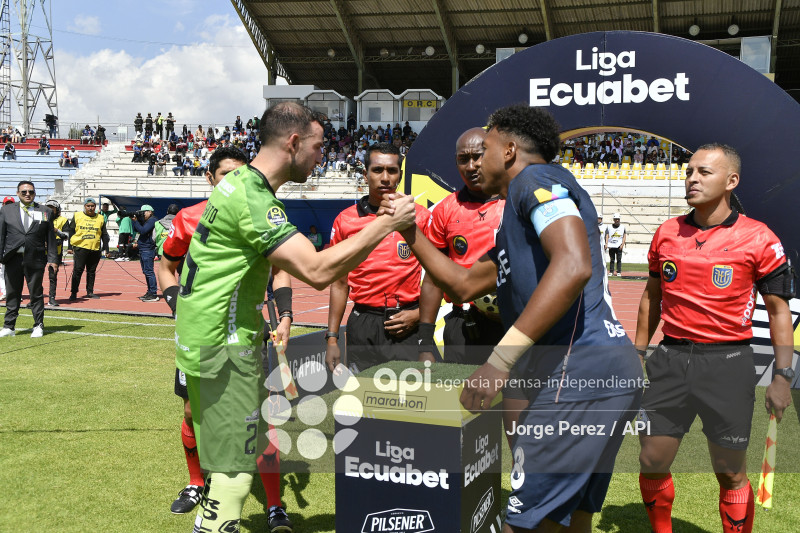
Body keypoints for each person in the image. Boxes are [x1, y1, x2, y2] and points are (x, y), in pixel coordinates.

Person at [383, 104, 642, 532]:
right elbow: (463, 283)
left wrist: (498, 362)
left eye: (482, 148)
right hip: (598, 371)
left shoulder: (536, 180)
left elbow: (574, 265)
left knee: (522, 523)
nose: (472, 161)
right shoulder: (515, 218)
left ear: (507, 149)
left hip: (577, 369)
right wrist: (408, 230)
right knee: (569, 518)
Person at [174, 102, 416, 532]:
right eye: (319, 147)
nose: (322, 156)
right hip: (223, 348)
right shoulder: (252, 198)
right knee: (232, 477)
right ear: (294, 142)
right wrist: (386, 224)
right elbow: (319, 271)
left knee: (235, 462)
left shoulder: (237, 186)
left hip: (214, 342)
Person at [635, 143, 795, 533]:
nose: (691, 178)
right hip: (669, 360)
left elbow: (778, 311)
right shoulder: (667, 232)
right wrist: (635, 352)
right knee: (652, 460)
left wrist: (782, 376)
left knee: (729, 472)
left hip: (728, 365)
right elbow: (651, 297)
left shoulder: (759, 238)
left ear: (731, 181)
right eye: (689, 171)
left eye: (704, 172)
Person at [157, 148, 297, 528]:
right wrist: (180, 306)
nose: (234, 181)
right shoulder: (190, 218)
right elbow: (165, 264)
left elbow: (282, 270)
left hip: (244, 340)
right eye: (225, 174)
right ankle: (196, 483)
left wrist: (284, 315)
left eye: (240, 173)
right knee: (192, 413)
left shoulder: (260, 207)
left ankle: (273, 504)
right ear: (209, 178)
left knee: (260, 420)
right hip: (201, 339)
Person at [325, 143, 430, 373]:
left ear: (400, 175)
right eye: (377, 170)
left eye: (392, 171)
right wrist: (332, 338)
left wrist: (418, 314)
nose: (385, 178)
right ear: (365, 174)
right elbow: (340, 283)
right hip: (363, 325)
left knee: (408, 402)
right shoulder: (345, 221)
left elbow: (439, 277)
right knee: (365, 402)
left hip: (407, 324)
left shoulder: (420, 216)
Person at [417, 127, 505, 366]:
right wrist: (425, 340)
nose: (471, 166)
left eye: (478, 156)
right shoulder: (446, 208)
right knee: (461, 400)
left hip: (513, 326)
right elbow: (434, 278)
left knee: (515, 399)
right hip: (463, 326)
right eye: (463, 159)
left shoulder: (517, 202)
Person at [0, 181, 58, 337]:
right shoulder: (6, 211)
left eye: (31, 192)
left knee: (36, 294)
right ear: (18, 193)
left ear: (35, 193)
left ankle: (38, 325)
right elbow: (1, 236)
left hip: (36, 258)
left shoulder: (45, 211)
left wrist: (53, 259)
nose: (27, 194)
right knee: (12, 293)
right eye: (24, 192)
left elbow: (50, 238)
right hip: (13, 258)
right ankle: (9, 326)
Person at [68, 198, 108, 301]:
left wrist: (106, 249)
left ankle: (90, 292)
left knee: (91, 271)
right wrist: (69, 247)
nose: (90, 208)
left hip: (95, 248)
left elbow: (104, 234)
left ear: (95, 207)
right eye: (88, 206)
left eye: (92, 206)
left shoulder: (100, 218)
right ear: (85, 206)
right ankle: (74, 292)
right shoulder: (77, 216)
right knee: (78, 270)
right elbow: (71, 231)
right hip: (80, 248)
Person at [131, 204, 159, 302]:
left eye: (144, 212)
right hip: (143, 249)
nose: (143, 214)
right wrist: (136, 220)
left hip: (148, 249)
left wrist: (136, 221)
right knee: (146, 272)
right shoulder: (145, 221)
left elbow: (143, 231)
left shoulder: (152, 220)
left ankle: (154, 293)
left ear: (150, 212)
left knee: (149, 272)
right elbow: (136, 229)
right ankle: (150, 292)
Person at [45, 200, 68, 306]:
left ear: (57, 209)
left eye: (52, 208)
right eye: (48, 207)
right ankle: (35, 298)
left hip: (55, 252)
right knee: (36, 276)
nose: (50, 210)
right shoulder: (41, 218)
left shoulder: (63, 220)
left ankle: (52, 298)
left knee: (52, 275)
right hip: (41, 251)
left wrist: (56, 230)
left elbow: (66, 235)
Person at [0, 195, 14, 299]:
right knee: (1, 271)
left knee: (14, 271)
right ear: (3, 205)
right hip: (2, 247)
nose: (8, 207)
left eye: (11, 204)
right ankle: (5, 292)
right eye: (6, 204)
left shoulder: (17, 217)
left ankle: (14, 292)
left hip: (13, 247)